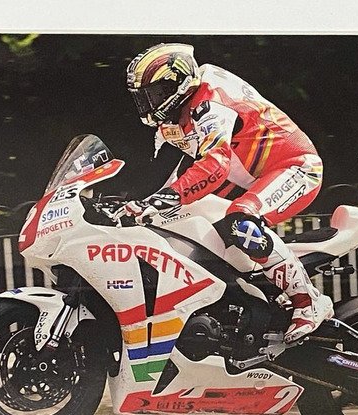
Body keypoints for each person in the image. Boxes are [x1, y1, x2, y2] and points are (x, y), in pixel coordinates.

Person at [118, 43, 333, 343]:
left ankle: (308, 301)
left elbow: (215, 165)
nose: (148, 103)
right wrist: (130, 204)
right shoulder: (174, 118)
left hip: (295, 166)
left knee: (239, 221)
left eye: (154, 94)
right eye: (142, 97)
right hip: (248, 176)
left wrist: (163, 198)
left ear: (177, 84)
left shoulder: (209, 102)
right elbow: (164, 176)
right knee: (187, 221)